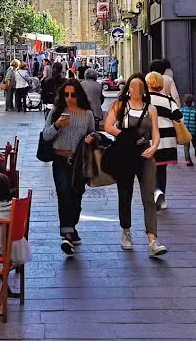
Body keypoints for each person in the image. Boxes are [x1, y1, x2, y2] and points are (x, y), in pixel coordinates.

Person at [103, 74, 166, 257]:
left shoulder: (151, 109)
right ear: (128, 88)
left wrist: (154, 147)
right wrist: (125, 135)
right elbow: (108, 125)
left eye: (140, 86)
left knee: (148, 196)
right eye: (133, 86)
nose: (136, 89)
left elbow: (155, 132)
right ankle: (126, 232)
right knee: (125, 193)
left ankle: (152, 240)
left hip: (145, 155)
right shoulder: (120, 106)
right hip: (125, 155)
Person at [43, 79, 94, 254]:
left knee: (76, 196)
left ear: (78, 94)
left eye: (73, 94)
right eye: (66, 94)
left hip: (79, 162)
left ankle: (71, 227)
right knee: (64, 194)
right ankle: (67, 236)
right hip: (60, 160)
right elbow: (46, 136)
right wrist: (57, 125)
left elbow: (93, 134)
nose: (69, 98)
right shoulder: (56, 112)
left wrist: (91, 139)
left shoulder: (86, 114)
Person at [145, 71, 182, 211]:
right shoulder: (168, 100)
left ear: (147, 84)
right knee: (161, 169)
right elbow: (178, 115)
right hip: (167, 142)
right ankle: (162, 199)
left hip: (150, 140)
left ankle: (155, 191)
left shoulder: (144, 99)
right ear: (160, 85)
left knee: (148, 169)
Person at [180, 94, 196, 166]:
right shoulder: (195, 112)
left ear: (184, 102)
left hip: (185, 131)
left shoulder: (182, 110)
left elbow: (179, 121)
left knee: (186, 146)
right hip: (194, 132)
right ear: (192, 102)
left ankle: (188, 160)